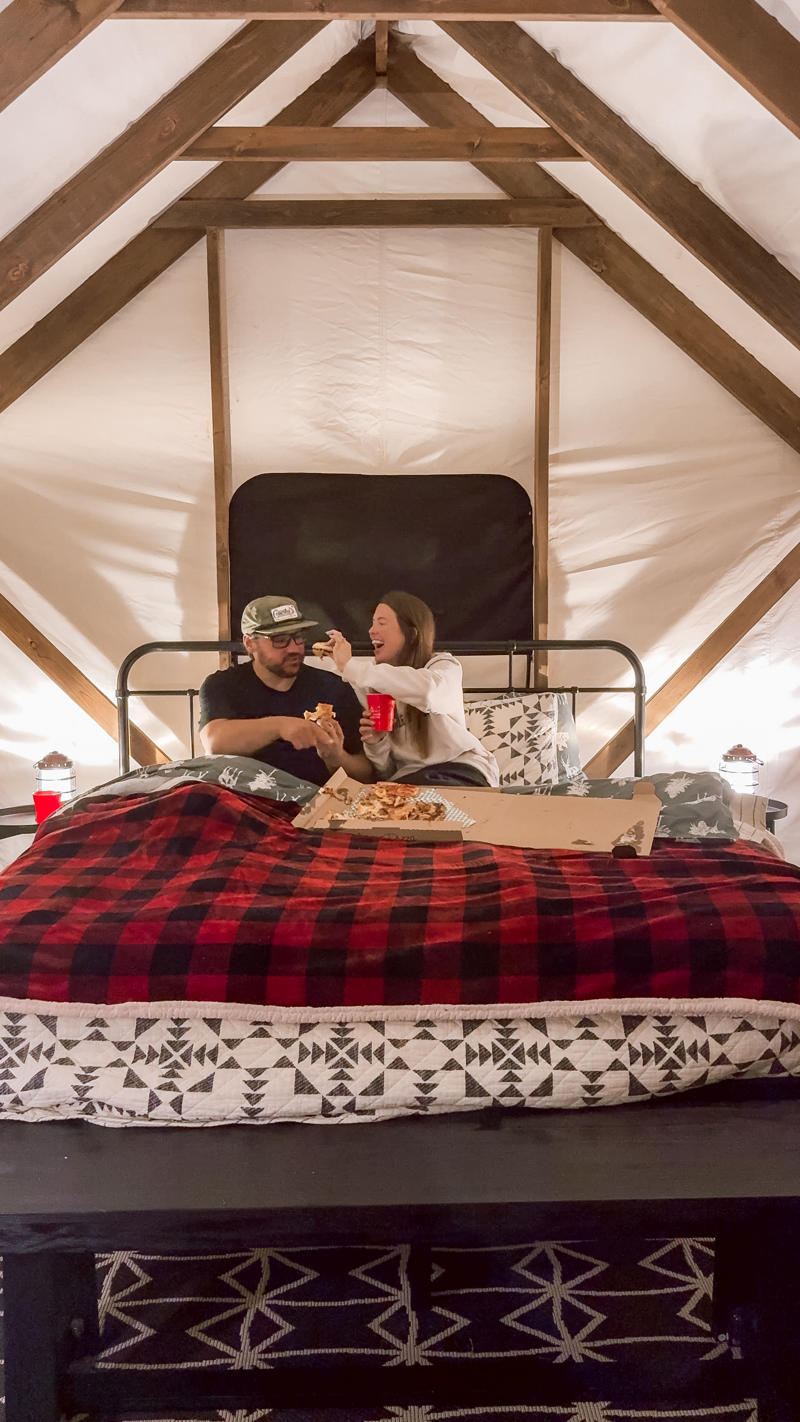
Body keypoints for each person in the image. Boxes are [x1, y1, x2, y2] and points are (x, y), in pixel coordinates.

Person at [325, 590, 500, 787]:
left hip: (462, 771)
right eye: (372, 623)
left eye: (381, 623)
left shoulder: (442, 667)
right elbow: (385, 772)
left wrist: (350, 667)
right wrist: (377, 742)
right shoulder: (371, 686)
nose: (371, 631)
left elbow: (428, 693)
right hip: (410, 782)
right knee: (379, 803)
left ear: (411, 633)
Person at [199, 595, 372, 786]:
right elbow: (214, 742)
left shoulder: (333, 688)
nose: (294, 649)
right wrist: (281, 726)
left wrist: (336, 758)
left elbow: (366, 774)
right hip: (244, 799)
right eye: (280, 640)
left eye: (298, 637)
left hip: (312, 803)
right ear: (250, 643)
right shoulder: (223, 685)